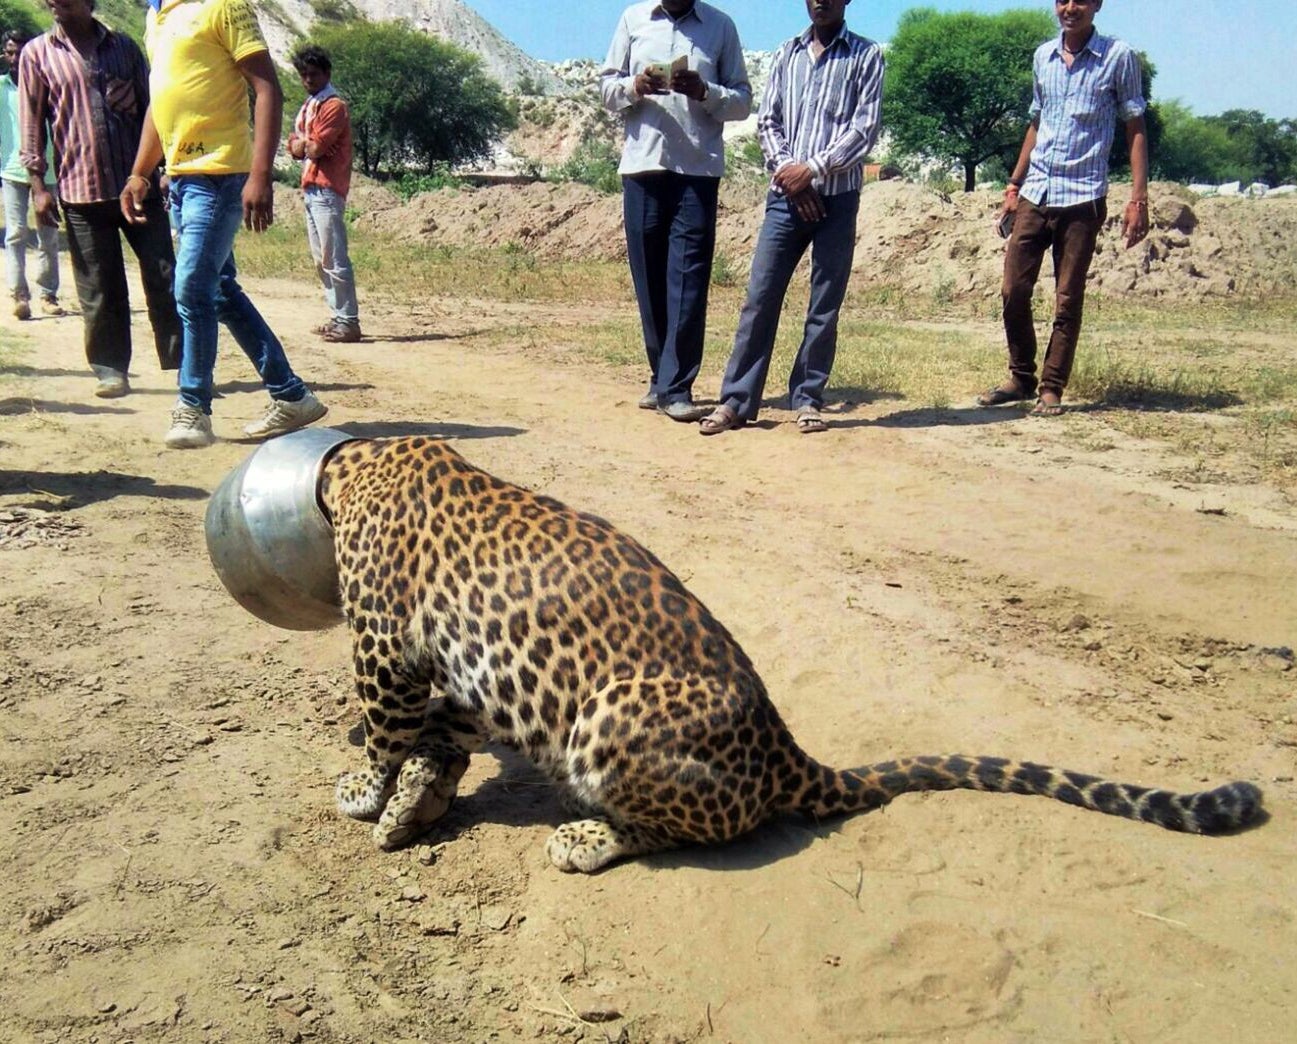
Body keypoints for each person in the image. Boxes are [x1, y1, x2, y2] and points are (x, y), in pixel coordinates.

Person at [122, 0, 327, 449]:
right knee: (216, 290)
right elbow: (161, 107)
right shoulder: (157, 17)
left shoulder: (223, 6)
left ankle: (193, 407)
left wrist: (260, 174)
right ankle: (291, 395)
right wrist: (140, 171)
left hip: (220, 177)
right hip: (179, 180)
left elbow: (267, 88)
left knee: (192, 287)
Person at [699, 0, 883, 436]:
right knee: (760, 296)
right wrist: (792, 176)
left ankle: (808, 397)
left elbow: (864, 129)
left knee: (824, 303)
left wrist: (813, 170)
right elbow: (768, 123)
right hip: (786, 197)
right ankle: (737, 400)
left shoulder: (866, 55)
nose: (821, 1)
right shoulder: (786, 54)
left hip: (838, 198)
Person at [977, 0, 1148, 417]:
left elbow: (1135, 125)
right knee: (1012, 289)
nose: (1070, 8)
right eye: (1062, 0)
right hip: (1037, 190)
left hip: (1083, 196)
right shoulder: (1043, 57)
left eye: (1081, 0)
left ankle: (1051, 386)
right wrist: (1014, 184)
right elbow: (1036, 122)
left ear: (1098, 5)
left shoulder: (1118, 57)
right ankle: (1021, 376)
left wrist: (1138, 199)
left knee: (1067, 296)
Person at [19, 0, 181, 399]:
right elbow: (31, 122)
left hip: (137, 185)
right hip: (80, 193)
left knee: (165, 277)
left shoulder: (124, 48)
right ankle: (111, 370)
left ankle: (185, 366)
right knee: (99, 287)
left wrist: (160, 172)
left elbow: (155, 109)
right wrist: (39, 187)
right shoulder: (36, 54)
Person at [600, 0, 751, 422]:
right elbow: (606, 90)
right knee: (648, 276)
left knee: (688, 278)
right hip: (642, 165)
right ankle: (660, 377)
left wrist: (704, 91)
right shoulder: (633, 20)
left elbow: (742, 101)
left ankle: (677, 386)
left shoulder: (720, 27)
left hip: (697, 170)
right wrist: (636, 86)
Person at [287, 45, 360, 344]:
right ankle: (337, 316)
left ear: (326, 73)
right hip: (311, 185)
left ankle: (349, 320)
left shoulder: (333, 106)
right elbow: (295, 147)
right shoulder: (311, 106)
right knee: (321, 258)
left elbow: (313, 148)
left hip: (328, 186)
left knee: (334, 256)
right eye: (303, 75)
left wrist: (303, 143)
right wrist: (304, 143)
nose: (308, 80)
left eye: (313, 74)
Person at [1, 30, 63, 321]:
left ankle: (48, 293)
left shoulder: (48, 86)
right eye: (10, 52)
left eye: (21, 52)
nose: (15, 58)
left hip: (48, 169)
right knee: (15, 233)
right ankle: (18, 293)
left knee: (48, 236)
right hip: (12, 170)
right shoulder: (2, 88)